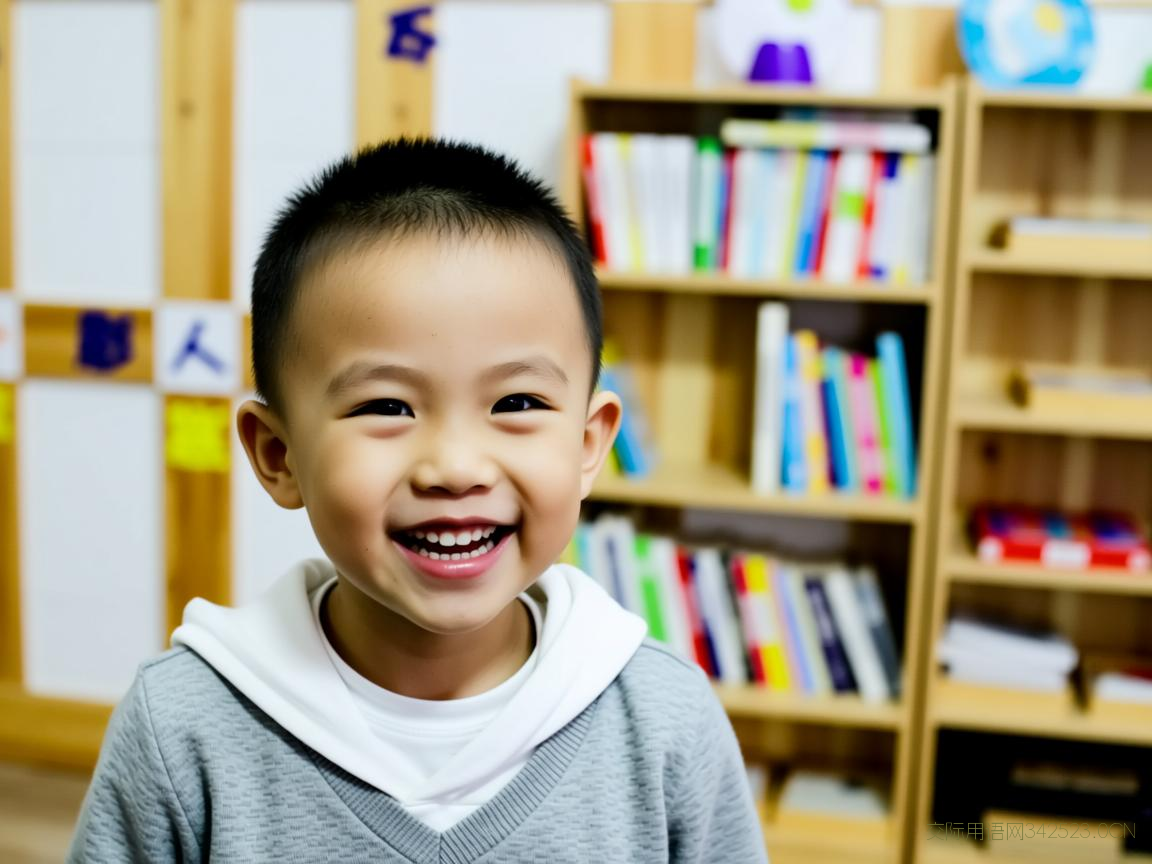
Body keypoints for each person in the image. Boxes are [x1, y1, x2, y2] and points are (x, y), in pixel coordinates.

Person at [68, 139, 769, 863]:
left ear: (589, 445)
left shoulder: (665, 724)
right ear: (279, 456)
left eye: (517, 400)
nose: (455, 468)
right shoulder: (183, 729)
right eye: (387, 406)